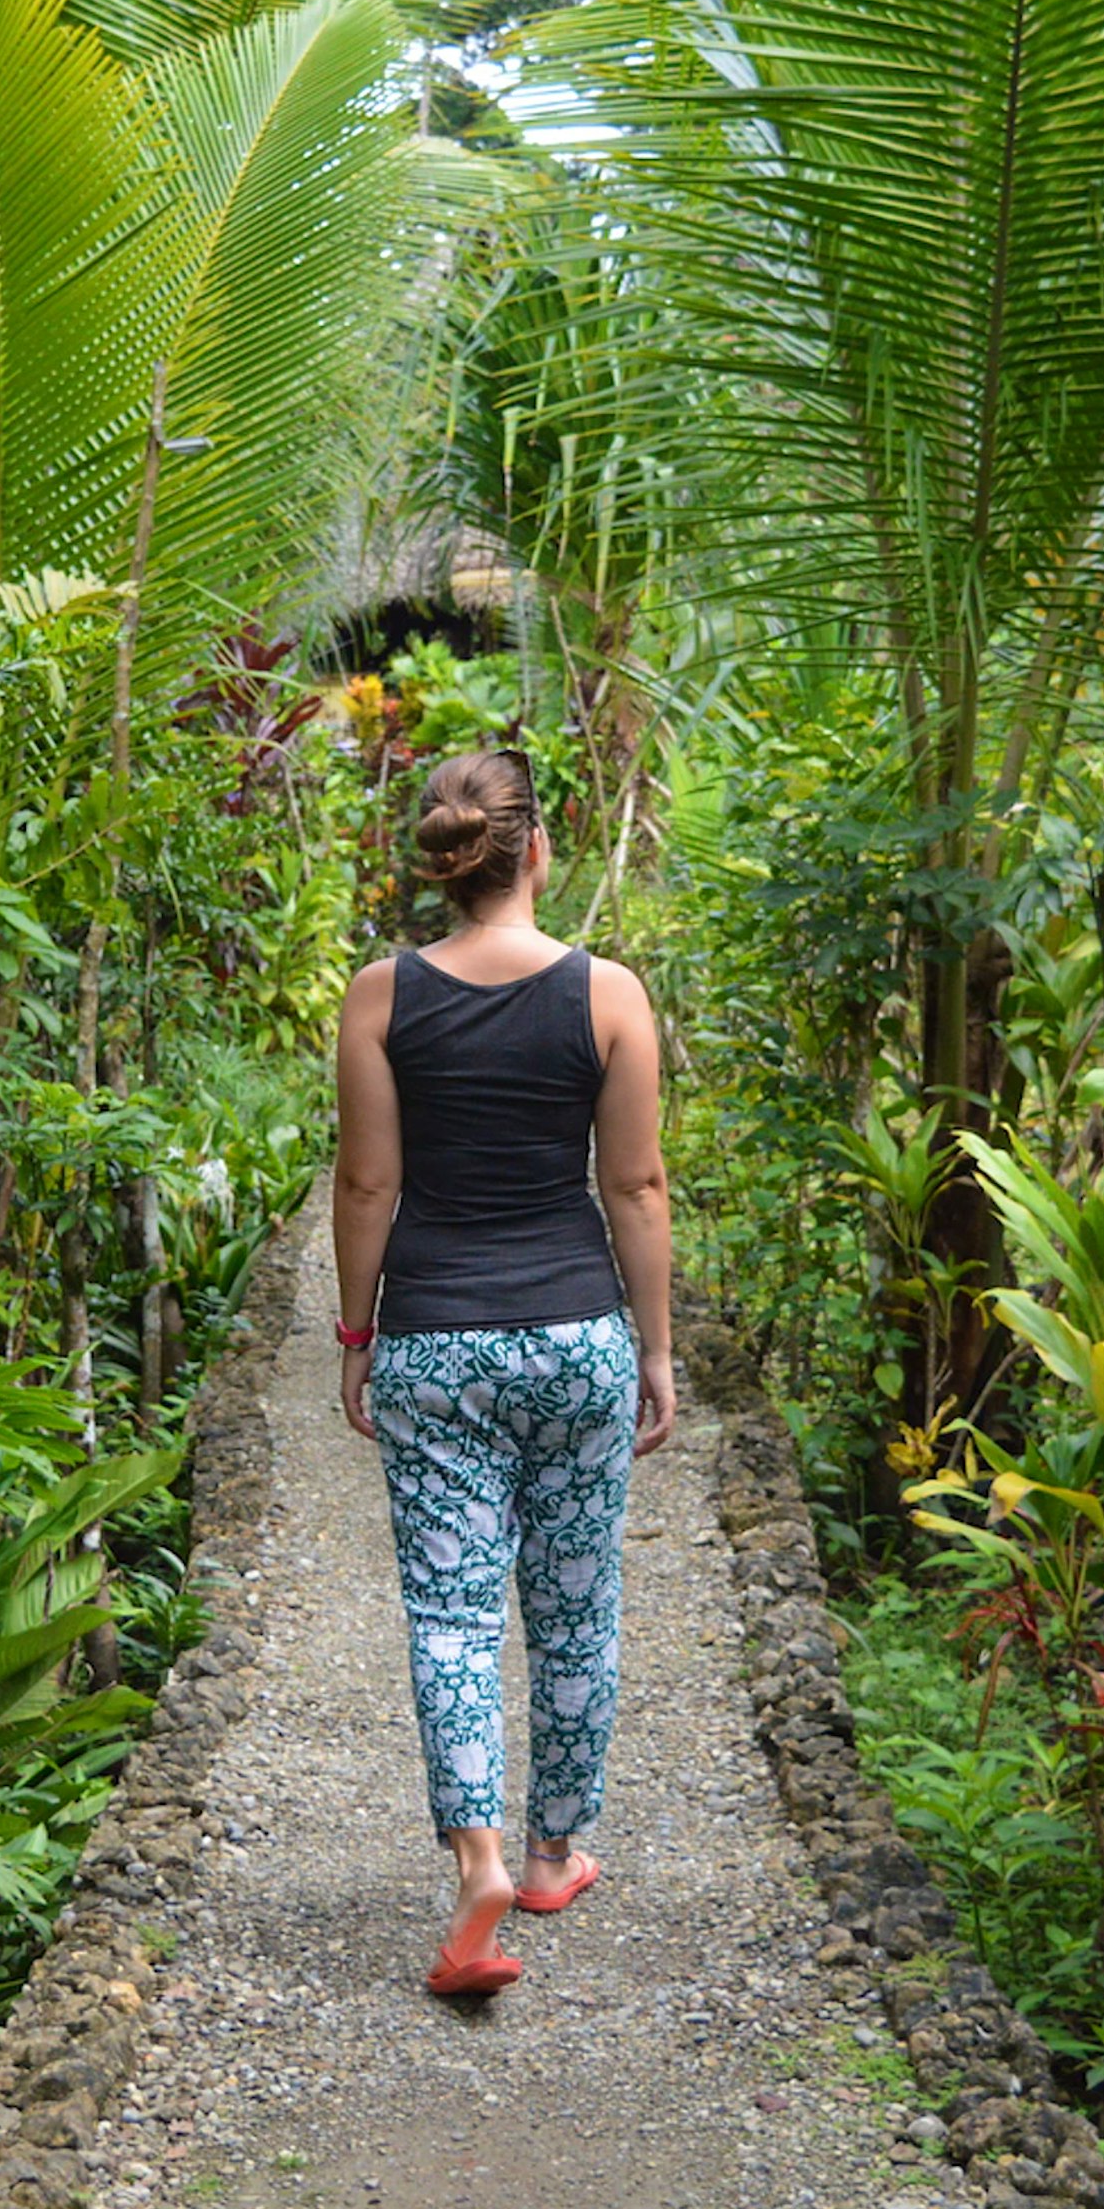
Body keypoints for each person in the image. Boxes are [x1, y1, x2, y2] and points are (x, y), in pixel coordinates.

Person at [331, 747, 677, 1998]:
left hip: (433, 1341)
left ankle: (473, 1856)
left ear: (448, 864)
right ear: (537, 850)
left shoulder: (382, 997)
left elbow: (368, 1183)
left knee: (455, 1611)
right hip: (576, 1332)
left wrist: (358, 1336)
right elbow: (633, 1184)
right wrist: (655, 1347)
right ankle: (548, 1853)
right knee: (576, 1603)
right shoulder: (610, 994)